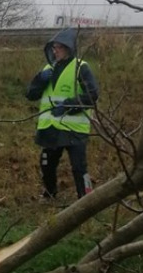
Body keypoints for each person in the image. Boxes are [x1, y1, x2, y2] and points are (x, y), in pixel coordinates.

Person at [25, 28, 99, 200]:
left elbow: (92, 95)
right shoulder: (47, 69)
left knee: (79, 167)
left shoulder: (81, 67)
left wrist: (67, 106)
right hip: (50, 128)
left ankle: (86, 198)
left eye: (58, 47)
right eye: (53, 47)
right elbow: (30, 95)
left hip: (74, 128)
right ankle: (50, 194)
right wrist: (39, 80)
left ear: (68, 48)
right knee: (46, 164)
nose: (55, 51)